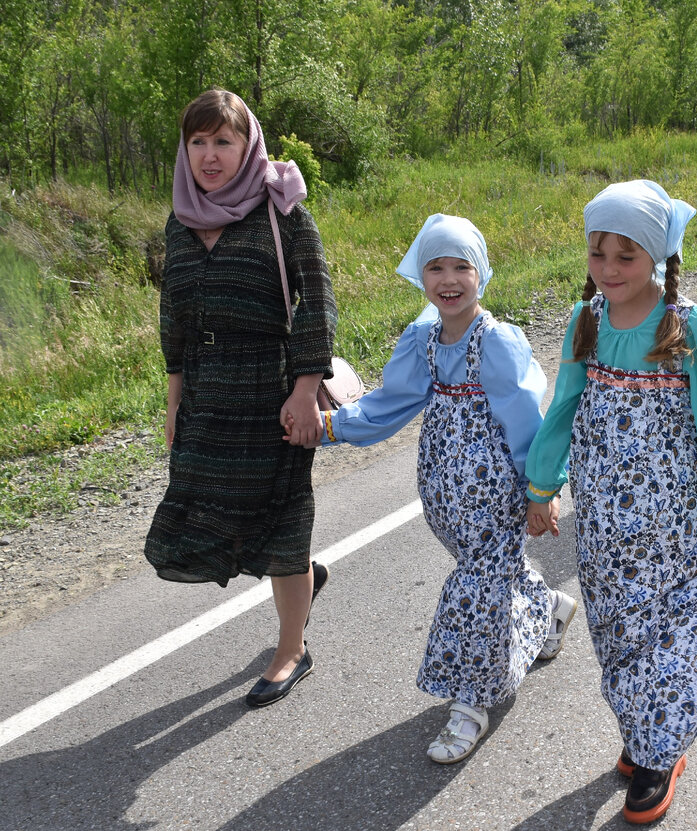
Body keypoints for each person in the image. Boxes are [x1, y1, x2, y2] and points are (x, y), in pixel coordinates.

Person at [525, 180, 697, 825]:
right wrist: (542, 486)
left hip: (676, 525)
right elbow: (564, 405)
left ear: (655, 256)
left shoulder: (687, 325)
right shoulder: (586, 320)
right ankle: (646, 728)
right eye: (599, 254)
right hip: (603, 524)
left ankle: (659, 752)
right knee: (618, 633)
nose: (610, 269)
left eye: (626, 255)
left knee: (670, 637)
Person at [315, 214, 577, 764]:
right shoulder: (424, 341)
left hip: (496, 494)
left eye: (462, 266)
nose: (449, 278)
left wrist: (540, 490)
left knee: (474, 592)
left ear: (481, 273)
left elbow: (527, 421)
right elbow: (388, 406)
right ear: (422, 276)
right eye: (436, 267)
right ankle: (549, 606)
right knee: (487, 573)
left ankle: (470, 703)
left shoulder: (497, 343)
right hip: (442, 495)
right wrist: (332, 427)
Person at [145, 89, 338, 707]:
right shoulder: (181, 219)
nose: (209, 156)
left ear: (246, 145)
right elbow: (173, 312)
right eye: (197, 142)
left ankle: (291, 649)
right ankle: (303, 579)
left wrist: (306, 389)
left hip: (271, 389)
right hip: (207, 393)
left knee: (283, 516)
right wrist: (175, 392)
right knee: (213, 511)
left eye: (222, 141)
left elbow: (317, 302)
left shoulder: (282, 212)